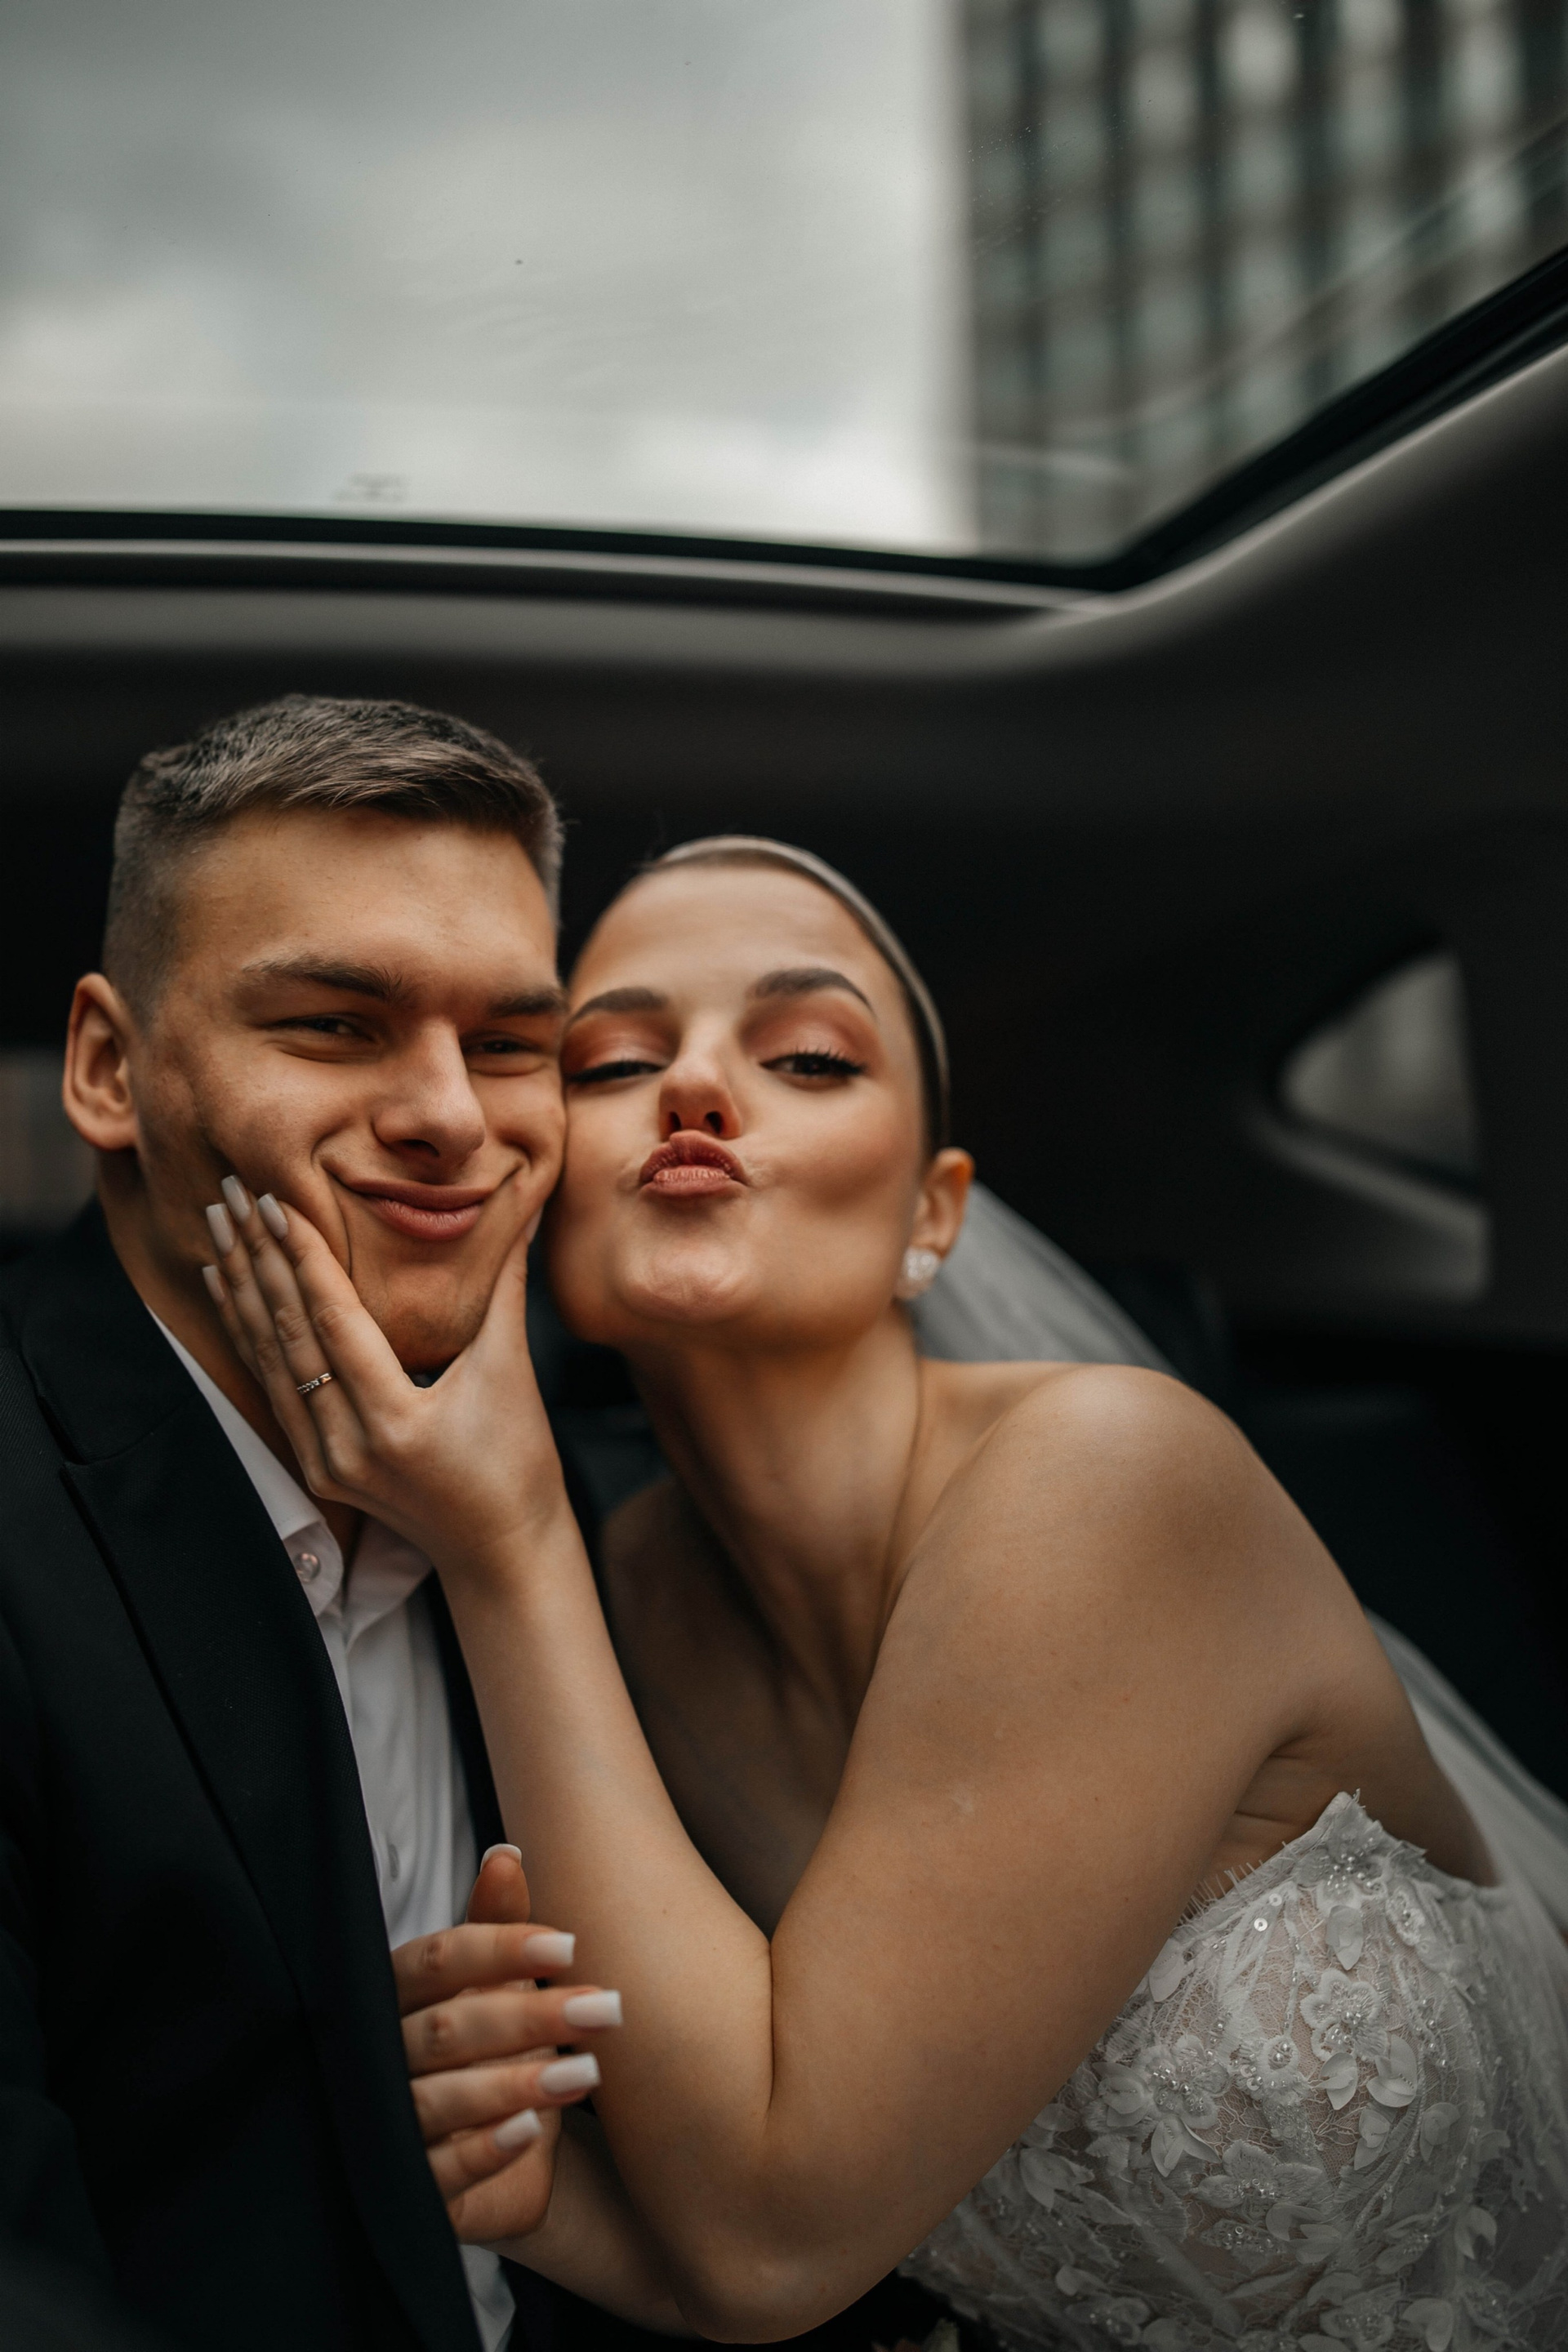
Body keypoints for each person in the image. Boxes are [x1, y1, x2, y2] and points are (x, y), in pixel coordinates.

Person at [206, 836, 1568, 2351]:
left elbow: (766, 2240)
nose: (694, 1087)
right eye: (611, 1064)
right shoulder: (634, 1603)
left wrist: (505, 1538)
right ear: (536, 1193)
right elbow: (775, 2231)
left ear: (933, 1214)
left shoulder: (1111, 1480)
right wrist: (548, 2205)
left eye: (807, 1055)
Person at [0, 696, 646, 2352]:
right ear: (108, 1069)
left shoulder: (591, 1526)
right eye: (338, 1026)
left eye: (510, 1045)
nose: (451, 1116)